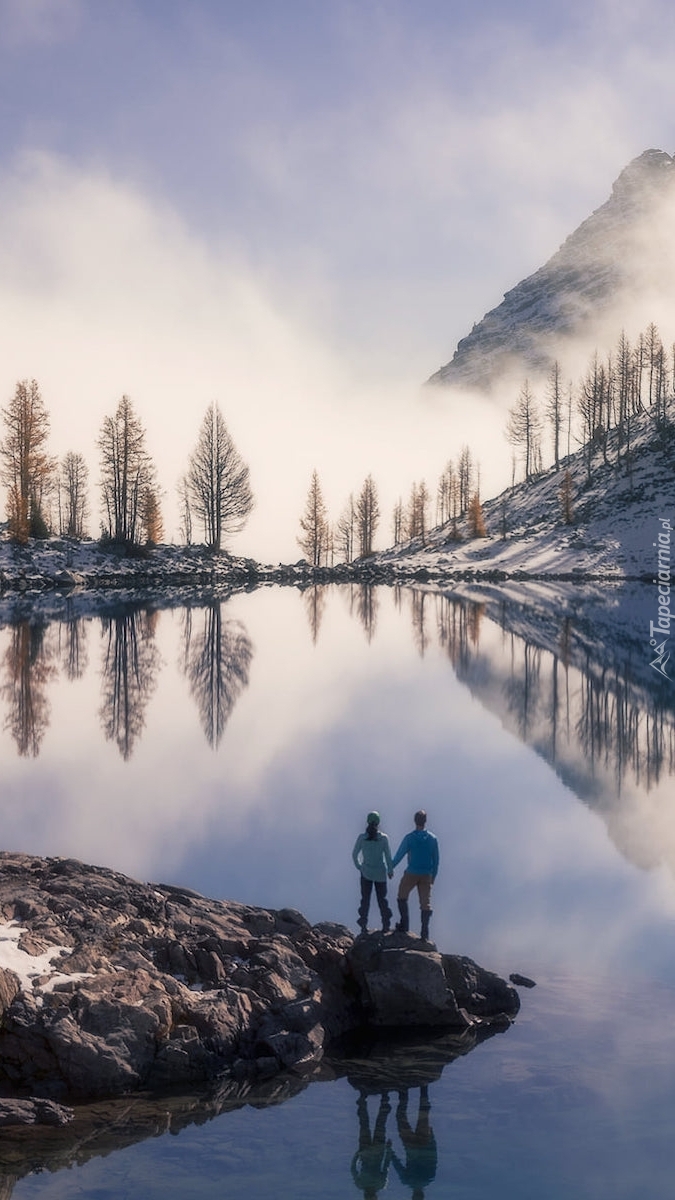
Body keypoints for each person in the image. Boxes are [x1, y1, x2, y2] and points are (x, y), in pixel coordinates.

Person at [391, 810, 439, 941]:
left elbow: (399, 856)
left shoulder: (409, 838)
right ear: (425, 821)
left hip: (411, 873)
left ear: (414, 821)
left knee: (402, 895)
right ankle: (424, 934)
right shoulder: (433, 839)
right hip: (426, 874)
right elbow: (436, 861)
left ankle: (404, 924)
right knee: (425, 904)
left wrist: (390, 868)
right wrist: (433, 877)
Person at [352, 811, 394, 933]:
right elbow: (388, 856)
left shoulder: (362, 838)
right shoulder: (383, 838)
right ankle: (386, 924)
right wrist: (390, 870)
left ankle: (363, 925)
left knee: (365, 899)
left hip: (366, 872)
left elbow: (354, 854)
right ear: (379, 822)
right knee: (382, 900)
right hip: (380, 873)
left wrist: (360, 867)